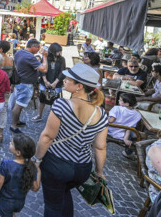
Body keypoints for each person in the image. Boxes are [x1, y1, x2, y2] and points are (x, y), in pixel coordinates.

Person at [34, 63, 108, 217]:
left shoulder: (62, 105)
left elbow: (47, 136)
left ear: (79, 86)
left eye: (69, 79)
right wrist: (100, 172)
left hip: (57, 164)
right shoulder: (101, 113)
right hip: (82, 169)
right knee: (64, 195)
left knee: (53, 205)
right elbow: (100, 147)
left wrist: (37, 159)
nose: (64, 80)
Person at [0, 134, 41, 217]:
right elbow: (36, 188)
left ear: (18, 152)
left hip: (5, 201)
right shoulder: (31, 167)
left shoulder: (6, 164)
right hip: (20, 203)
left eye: (12, 143)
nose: (9, 143)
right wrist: (38, 169)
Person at [11, 39, 48, 133]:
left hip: (19, 82)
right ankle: (13, 125)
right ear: (33, 47)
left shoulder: (19, 52)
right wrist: (44, 56)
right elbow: (44, 69)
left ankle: (17, 121)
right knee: (19, 105)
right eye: (38, 47)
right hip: (25, 84)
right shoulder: (29, 57)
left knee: (19, 104)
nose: (39, 49)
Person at [33, 43, 65, 122]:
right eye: (58, 51)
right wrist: (45, 80)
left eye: (60, 51)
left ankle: (52, 118)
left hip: (57, 82)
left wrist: (55, 82)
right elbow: (42, 69)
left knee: (54, 100)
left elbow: (62, 71)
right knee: (42, 99)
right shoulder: (46, 57)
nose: (59, 53)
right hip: (45, 81)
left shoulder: (61, 59)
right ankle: (39, 115)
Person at [107, 93, 141, 160]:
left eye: (120, 100)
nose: (118, 101)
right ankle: (129, 153)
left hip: (109, 130)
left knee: (139, 135)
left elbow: (111, 120)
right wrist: (125, 139)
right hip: (122, 133)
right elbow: (129, 128)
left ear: (127, 104)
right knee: (141, 136)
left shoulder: (117, 108)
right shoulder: (137, 115)